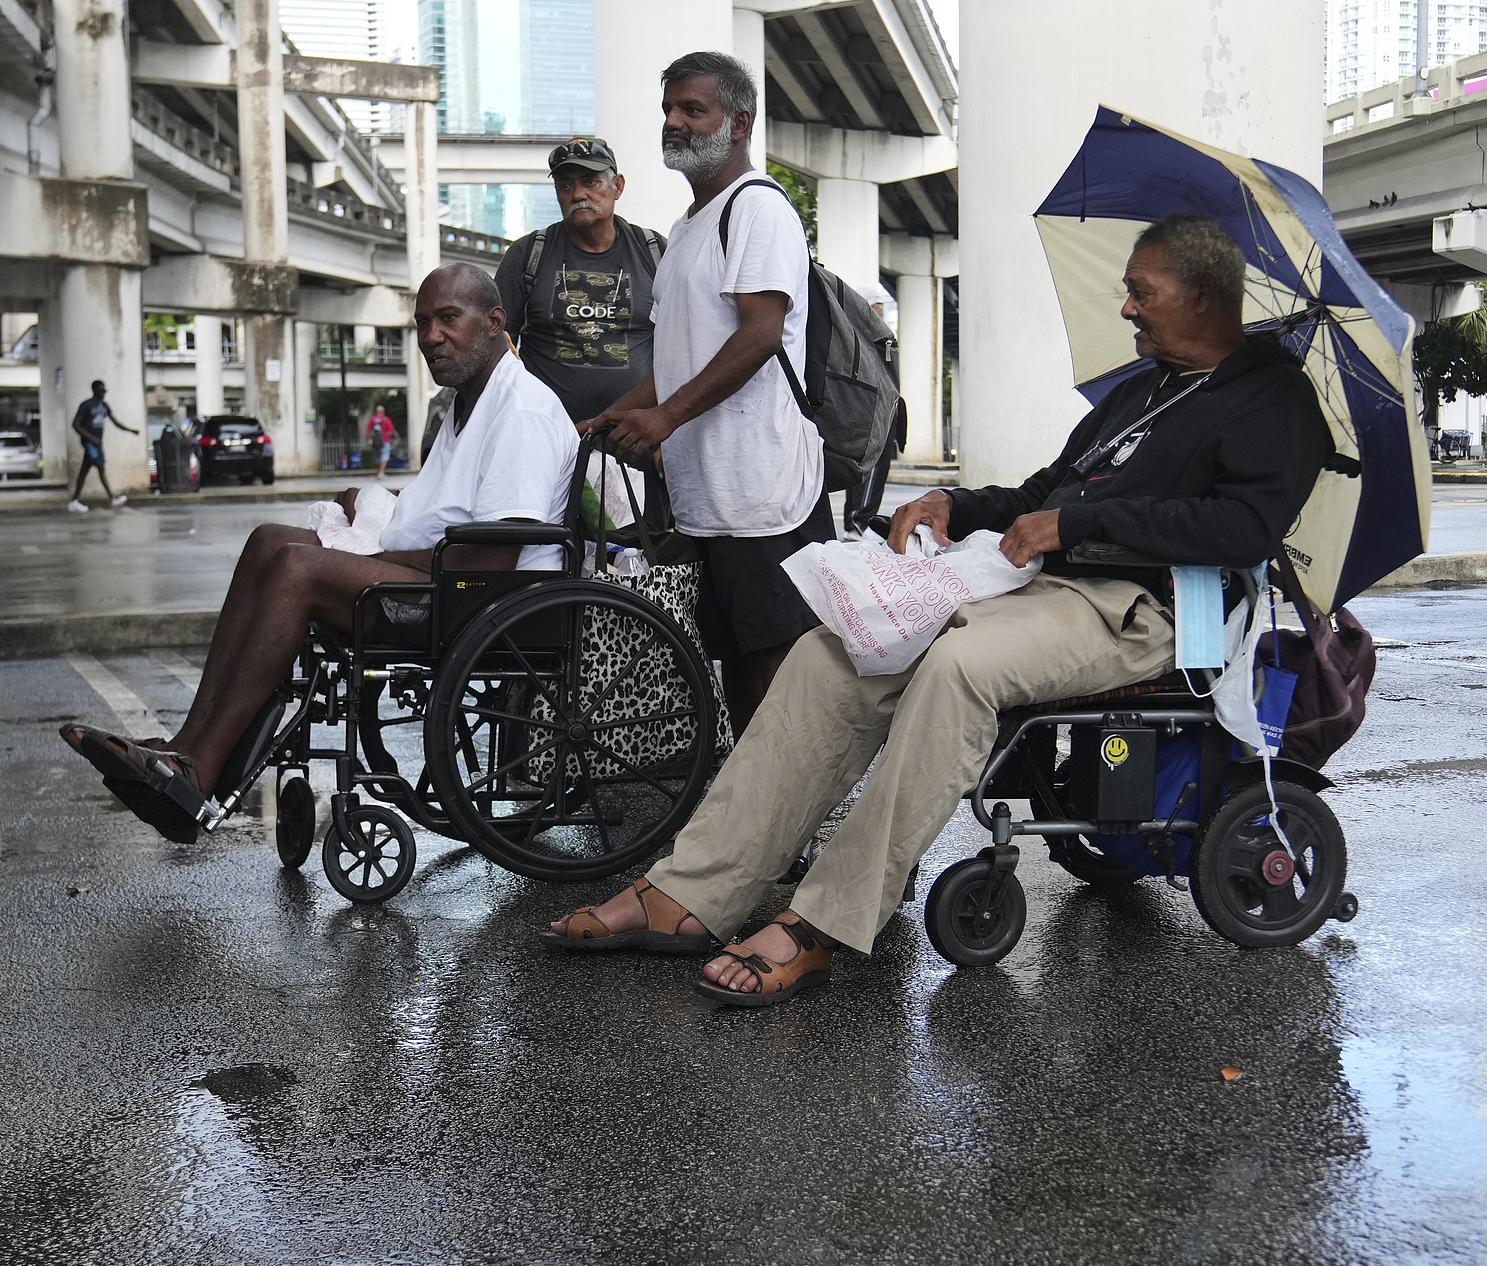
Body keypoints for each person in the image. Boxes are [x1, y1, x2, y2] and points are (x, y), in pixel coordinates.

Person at [544, 215, 1331, 1008]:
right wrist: (954, 502)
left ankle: (824, 921)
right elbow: (1044, 493)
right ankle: (692, 891)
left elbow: (1245, 529)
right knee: (832, 651)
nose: (1126, 308)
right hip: (1035, 587)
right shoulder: (1143, 391)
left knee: (958, 668)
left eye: (1141, 291)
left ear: (1202, 295)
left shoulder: (1275, 401)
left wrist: (1079, 524)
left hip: (1145, 610)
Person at [58, 264, 578, 842]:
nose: (430, 335)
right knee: (267, 543)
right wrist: (372, 517)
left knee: (297, 569)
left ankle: (201, 771)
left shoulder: (522, 411)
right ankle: (187, 746)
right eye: (422, 322)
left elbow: (491, 559)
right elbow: (443, 511)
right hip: (447, 574)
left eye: (447, 319)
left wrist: (371, 558)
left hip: (481, 601)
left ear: (494, 323)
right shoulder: (468, 401)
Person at [583, 51, 831, 738]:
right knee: (734, 672)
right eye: (669, 109)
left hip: (763, 492)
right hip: (706, 498)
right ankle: (755, 830)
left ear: (740, 122)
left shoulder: (758, 210)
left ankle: (785, 829)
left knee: (777, 676)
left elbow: (759, 336)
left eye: (693, 109)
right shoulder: (690, 228)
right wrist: (623, 411)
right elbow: (677, 356)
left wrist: (664, 418)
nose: (674, 123)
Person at [495, 137, 666, 426]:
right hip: (548, 436)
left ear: (618, 187)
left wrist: (667, 430)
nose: (577, 194)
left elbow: (682, 350)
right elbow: (497, 348)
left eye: (591, 182)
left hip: (634, 439)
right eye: (565, 185)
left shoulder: (655, 252)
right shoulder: (528, 255)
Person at [68, 379, 137, 512]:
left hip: (97, 443)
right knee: (100, 467)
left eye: (104, 390)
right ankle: (112, 498)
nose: (104, 393)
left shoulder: (104, 406)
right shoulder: (86, 405)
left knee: (84, 471)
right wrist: (91, 438)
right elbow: (75, 424)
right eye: (101, 390)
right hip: (90, 443)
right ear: (94, 391)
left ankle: (74, 501)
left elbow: (115, 422)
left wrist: (130, 430)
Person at [367, 404, 398, 478]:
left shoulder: (372, 420)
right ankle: (381, 472)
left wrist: (368, 439)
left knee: (377, 457)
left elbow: (368, 430)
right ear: (383, 412)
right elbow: (392, 430)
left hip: (375, 441)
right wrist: (397, 437)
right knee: (385, 456)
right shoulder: (386, 419)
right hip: (385, 440)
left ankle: (378, 471)